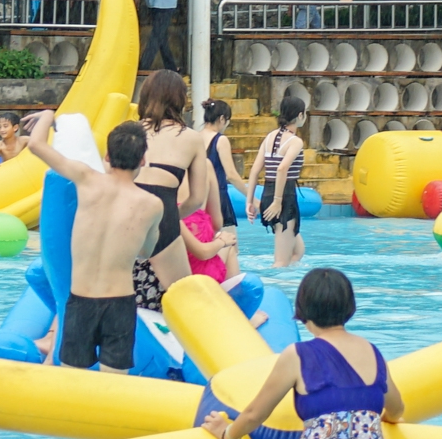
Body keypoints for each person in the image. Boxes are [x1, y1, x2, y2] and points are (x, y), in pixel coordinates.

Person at [199, 268, 413, 439]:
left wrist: (227, 434)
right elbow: (396, 409)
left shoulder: (298, 355)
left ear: (304, 310)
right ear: (349, 307)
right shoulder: (373, 353)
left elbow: (254, 415)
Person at [24, 110, 164, 372]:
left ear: (108, 157)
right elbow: (146, 252)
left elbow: (35, 145)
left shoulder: (85, 178)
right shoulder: (152, 205)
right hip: (120, 304)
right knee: (113, 385)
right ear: (143, 160)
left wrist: (48, 115)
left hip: (81, 300)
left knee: (71, 381)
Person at [132, 70, 214, 309]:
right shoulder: (191, 138)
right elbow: (197, 198)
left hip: (124, 213)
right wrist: (169, 215)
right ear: (180, 100)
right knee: (185, 299)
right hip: (163, 214)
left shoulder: (127, 131)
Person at [245, 90, 309, 268]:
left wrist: (249, 201)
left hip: (268, 194)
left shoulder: (269, 137)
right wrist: (278, 201)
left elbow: (255, 170)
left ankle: (285, 285)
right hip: (284, 197)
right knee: (281, 262)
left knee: (298, 251)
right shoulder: (295, 141)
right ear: (300, 115)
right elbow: (282, 169)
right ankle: (273, 289)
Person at [201, 98, 244, 275]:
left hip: (198, 200)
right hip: (218, 198)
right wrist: (252, 198)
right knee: (231, 248)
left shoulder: (194, 137)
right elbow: (231, 175)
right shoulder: (221, 140)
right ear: (221, 119)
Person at [181, 208, 236, 283]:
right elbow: (203, 253)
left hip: (176, 275)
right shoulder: (174, 215)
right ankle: (233, 292)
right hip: (201, 277)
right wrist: (222, 241)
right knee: (229, 244)